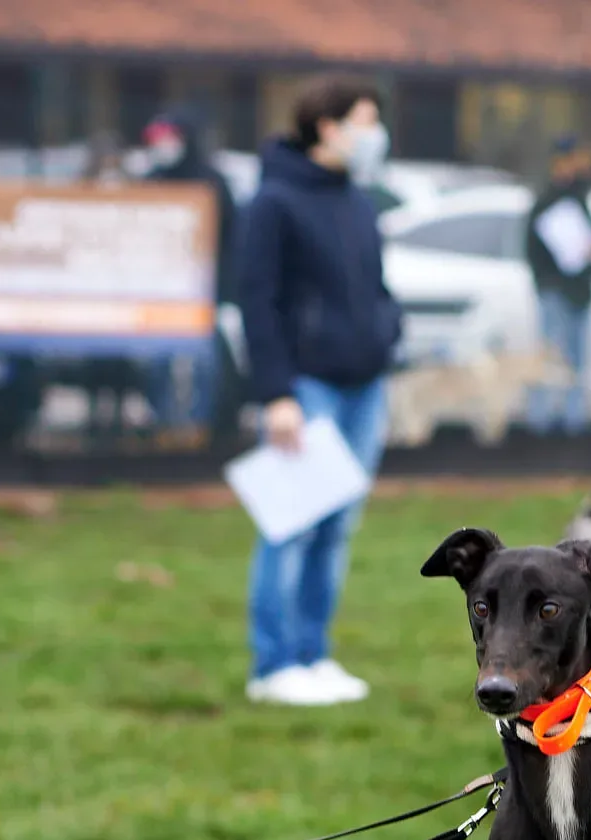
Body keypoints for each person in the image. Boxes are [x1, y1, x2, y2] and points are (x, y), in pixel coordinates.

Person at [238, 79, 400, 706]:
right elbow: (258, 303)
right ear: (328, 127)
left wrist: (387, 334)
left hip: (364, 386)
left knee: (336, 529)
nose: (375, 134)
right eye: (366, 120)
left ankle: (313, 654)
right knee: (291, 526)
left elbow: (376, 289)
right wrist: (277, 394)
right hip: (307, 387)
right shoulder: (273, 203)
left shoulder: (358, 202)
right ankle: (273, 664)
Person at [141, 107, 237, 436]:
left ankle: (202, 426)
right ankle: (162, 424)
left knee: (206, 365)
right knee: (158, 363)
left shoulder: (212, 182)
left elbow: (231, 240)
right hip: (159, 293)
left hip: (203, 292)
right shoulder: (152, 181)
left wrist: (225, 289)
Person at [525, 135, 591, 433]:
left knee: (576, 357)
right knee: (550, 355)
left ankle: (572, 420)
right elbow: (534, 247)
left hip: (579, 289)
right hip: (555, 288)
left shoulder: (580, 196)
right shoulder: (547, 199)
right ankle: (541, 419)